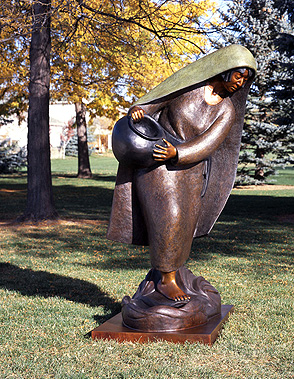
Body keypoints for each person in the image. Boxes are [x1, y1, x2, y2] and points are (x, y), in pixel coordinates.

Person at [107, 45, 256, 303]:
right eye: (239, 75)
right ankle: (166, 280)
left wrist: (177, 153)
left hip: (189, 169)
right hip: (156, 162)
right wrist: (138, 110)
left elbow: (209, 143)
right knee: (168, 216)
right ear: (226, 70)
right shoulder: (188, 87)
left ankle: (171, 274)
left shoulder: (226, 111)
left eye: (245, 80)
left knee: (182, 226)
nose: (240, 83)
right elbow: (153, 103)